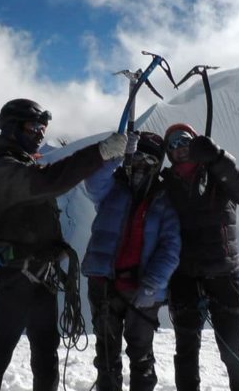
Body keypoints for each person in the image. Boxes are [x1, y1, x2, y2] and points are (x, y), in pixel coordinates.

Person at [0, 98, 128, 391]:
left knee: (44, 347)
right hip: (13, 275)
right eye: (34, 127)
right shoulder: (0, 168)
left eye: (43, 128)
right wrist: (100, 153)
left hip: (38, 274)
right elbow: (48, 182)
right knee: (3, 347)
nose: (41, 134)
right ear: (11, 128)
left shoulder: (19, 164)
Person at [161, 123, 239, 391]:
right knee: (186, 353)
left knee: (232, 350)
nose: (178, 148)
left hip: (223, 274)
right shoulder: (165, 183)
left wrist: (217, 158)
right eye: (171, 145)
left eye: (183, 141)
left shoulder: (217, 173)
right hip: (184, 276)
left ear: (195, 142)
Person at [81, 131, 181, 391]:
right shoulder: (113, 187)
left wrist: (153, 284)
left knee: (141, 356)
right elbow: (92, 184)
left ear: (157, 165)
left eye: (149, 160)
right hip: (105, 284)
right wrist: (114, 156)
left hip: (143, 290)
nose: (140, 164)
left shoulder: (165, 200)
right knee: (105, 356)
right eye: (136, 156)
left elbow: (170, 247)